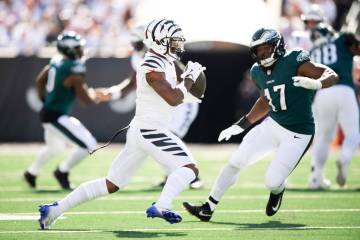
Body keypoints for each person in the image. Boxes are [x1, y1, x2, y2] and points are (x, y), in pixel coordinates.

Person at [38, 18, 206, 229]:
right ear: (159, 41)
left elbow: (176, 96)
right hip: (150, 130)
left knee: (111, 183)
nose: (177, 46)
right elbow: (173, 97)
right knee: (189, 168)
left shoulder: (164, 61)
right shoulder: (152, 64)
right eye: (173, 42)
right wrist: (189, 80)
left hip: (142, 130)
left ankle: (54, 210)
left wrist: (192, 91)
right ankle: (163, 205)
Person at [183, 28, 338, 221]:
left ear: (278, 46)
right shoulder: (257, 71)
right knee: (235, 162)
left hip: (298, 132)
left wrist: (317, 84)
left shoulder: (294, 60)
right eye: (259, 50)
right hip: (273, 124)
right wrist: (240, 125)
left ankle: (278, 190)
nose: (262, 53)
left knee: (272, 181)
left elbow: (330, 73)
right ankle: (208, 207)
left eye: (266, 48)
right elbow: (265, 101)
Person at [99, 25, 204, 189]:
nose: (136, 48)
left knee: (169, 136)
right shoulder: (144, 59)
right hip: (166, 102)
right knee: (160, 138)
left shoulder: (165, 59)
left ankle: (189, 176)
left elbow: (182, 85)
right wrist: (111, 94)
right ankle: (177, 174)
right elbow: (131, 83)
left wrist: (188, 83)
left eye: (138, 44)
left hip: (182, 103)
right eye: (134, 44)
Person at [23, 31, 107, 190]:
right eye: (78, 48)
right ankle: (62, 171)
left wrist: (45, 100)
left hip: (50, 112)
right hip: (56, 116)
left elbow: (40, 80)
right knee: (89, 144)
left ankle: (31, 173)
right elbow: (86, 101)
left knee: (55, 148)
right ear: (69, 50)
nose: (81, 50)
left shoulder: (57, 61)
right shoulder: (73, 70)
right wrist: (97, 96)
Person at [308, 23, 360, 189]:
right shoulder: (341, 39)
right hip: (344, 88)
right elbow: (355, 44)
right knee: (353, 133)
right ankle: (344, 157)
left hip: (322, 93)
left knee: (322, 139)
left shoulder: (312, 52)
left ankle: (316, 179)